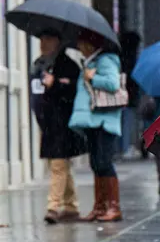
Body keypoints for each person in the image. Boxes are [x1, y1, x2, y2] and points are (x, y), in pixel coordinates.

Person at [30, 29, 87, 224]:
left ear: (58, 42)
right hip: (47, 123)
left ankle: (53, 207)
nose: (42, 43)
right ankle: (71, 206)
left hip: (62, 124)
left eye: (47, 39)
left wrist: (56, 84)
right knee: (59, 165)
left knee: (58, 164)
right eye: (41, 39)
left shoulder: (67, 65)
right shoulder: (39, 64)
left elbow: (74, 92)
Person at [69, 30, 124, 222]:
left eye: (81, 44)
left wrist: (93, 78)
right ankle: (99, 206)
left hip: (104, 121)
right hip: (93, 120)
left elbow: (112, 83)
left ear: (89, 44)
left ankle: (113, 206)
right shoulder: (90, 62)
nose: (79, 47)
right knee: (95, 164)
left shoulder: (105, 60)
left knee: (104, 162)